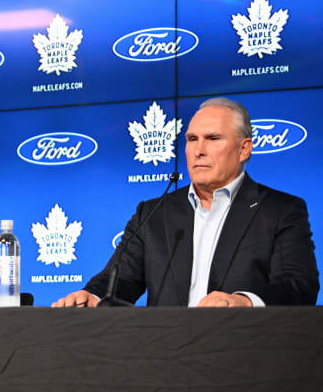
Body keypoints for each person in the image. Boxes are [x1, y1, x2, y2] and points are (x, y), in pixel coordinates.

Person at [53, 97, 318, 308]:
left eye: (213, 138)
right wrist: (92, 296)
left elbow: (298, 285)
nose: (199, 150)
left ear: (244, 149)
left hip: (242, 353)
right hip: (165, 355)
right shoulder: (154, 212)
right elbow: (120, 279)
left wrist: (244, 301)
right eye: (192, 139)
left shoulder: (280, 210)